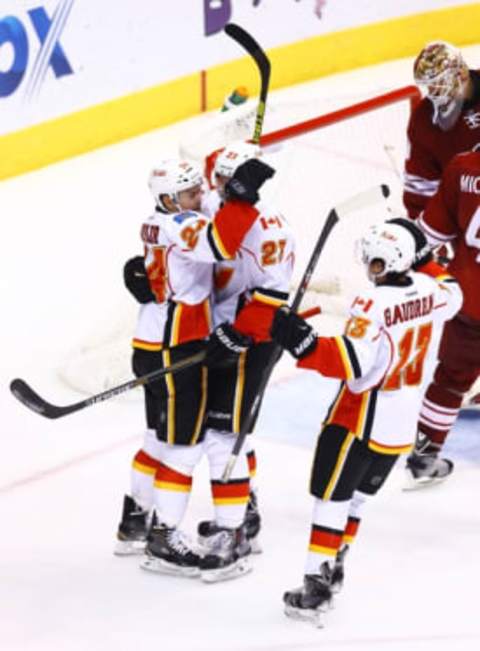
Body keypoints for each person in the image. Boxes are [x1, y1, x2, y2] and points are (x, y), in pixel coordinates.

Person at [270, 220, 462, 625]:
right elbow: (454, 291)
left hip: (359, 418)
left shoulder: (371, 303)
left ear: (382, 263)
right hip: (401, 423)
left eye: (373, 261)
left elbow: (350, 362)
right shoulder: (433, 291)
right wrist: (423, 255)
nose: (368, 268)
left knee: (331, 500)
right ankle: (336, 565)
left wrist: (303, 342)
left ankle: (316, 585)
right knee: (355, 500)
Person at [114, 156, 275, 582]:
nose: (198, 197)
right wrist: (241, 200)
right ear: (169, 198)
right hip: (176, 348)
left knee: (156, 439)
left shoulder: (158, 219)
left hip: (151, 342)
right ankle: (164, 538)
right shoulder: (179, 223)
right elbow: (222, 243)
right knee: (184, 447)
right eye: (189, 193)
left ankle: (134, 522)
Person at [197, 140, 295, 555]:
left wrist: (239, 334)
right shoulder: (220, 207)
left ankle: (231, 533)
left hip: (249, 340)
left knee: (223, 433)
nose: (213, 185)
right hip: (223, 332)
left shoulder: (270, 228)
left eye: (223, 179)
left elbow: (274, 295)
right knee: (233, 430)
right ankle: (244, 506)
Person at [405, 151, 480, 485]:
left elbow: (430, 235)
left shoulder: (464, 165)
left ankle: (424, 456)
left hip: (468, 300)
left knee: (450, 379)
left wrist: (403, 239)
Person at [403, 40, 480, 220]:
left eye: (440, 82)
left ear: (461, 74)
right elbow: (421, 186)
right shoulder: (423, 120)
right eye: (429, 85)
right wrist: (424, 235)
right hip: (467, 223)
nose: (432, 91)